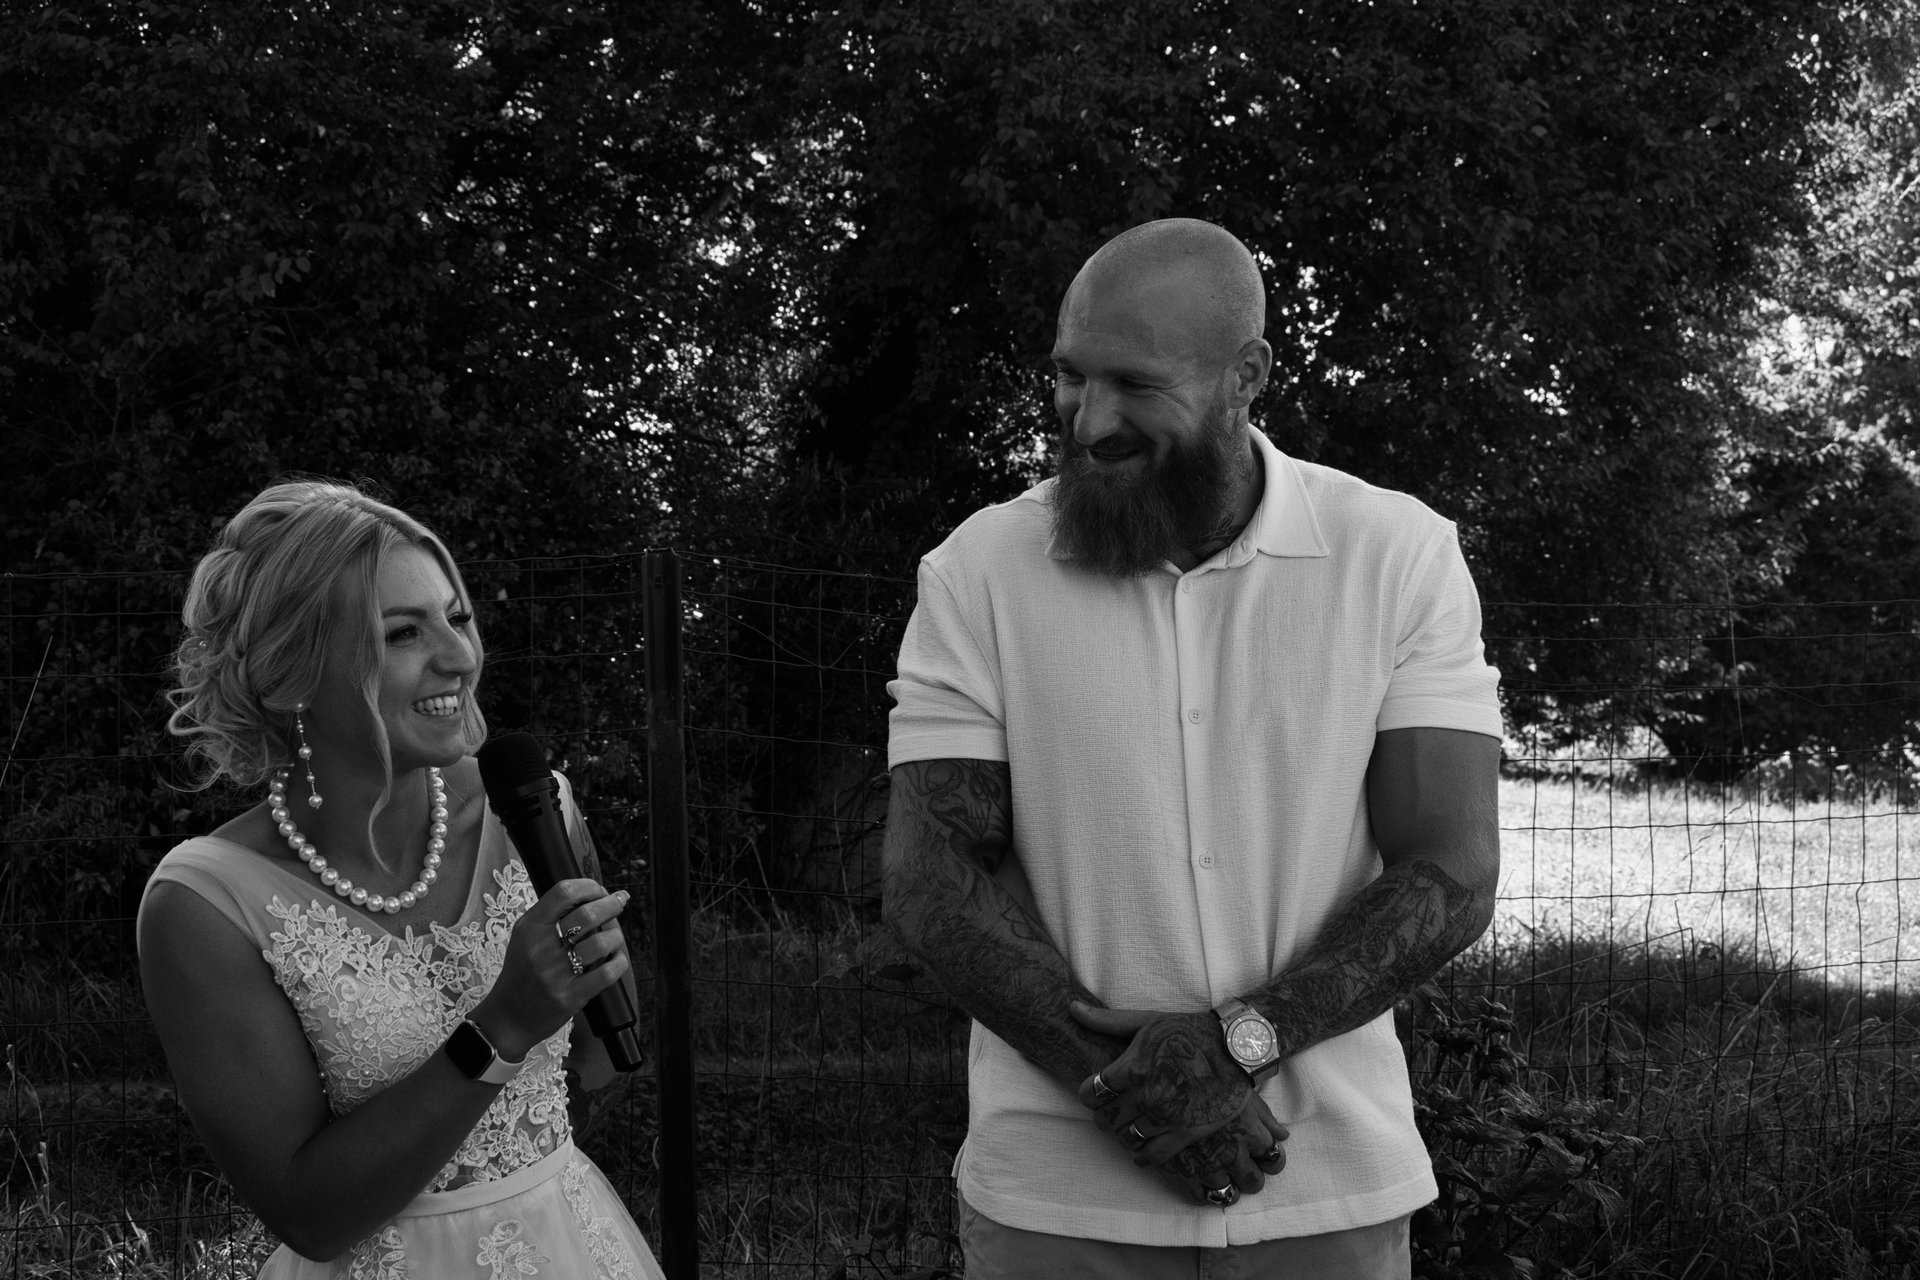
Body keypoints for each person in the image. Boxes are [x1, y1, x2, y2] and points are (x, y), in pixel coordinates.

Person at [883, 218, 1503, 1277]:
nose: (1090, 421)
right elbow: (932, 875)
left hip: (1326, 1190)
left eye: (1134, 383)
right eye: (1071, 378)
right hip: (1059, 1202)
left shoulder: (1396, 555)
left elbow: (1449, 865)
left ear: (1246, 374)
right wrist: (1146, 1090)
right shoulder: (980, 570)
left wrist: (1237, 1047)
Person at [137, 479, 665, 1279]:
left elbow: (596, 1069)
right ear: (294, 673)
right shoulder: (207, 905)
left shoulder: (535, 807)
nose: (459, 656)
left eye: (457, 618)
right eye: (403, 633)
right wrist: (506, 1024)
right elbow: (309, 1212)